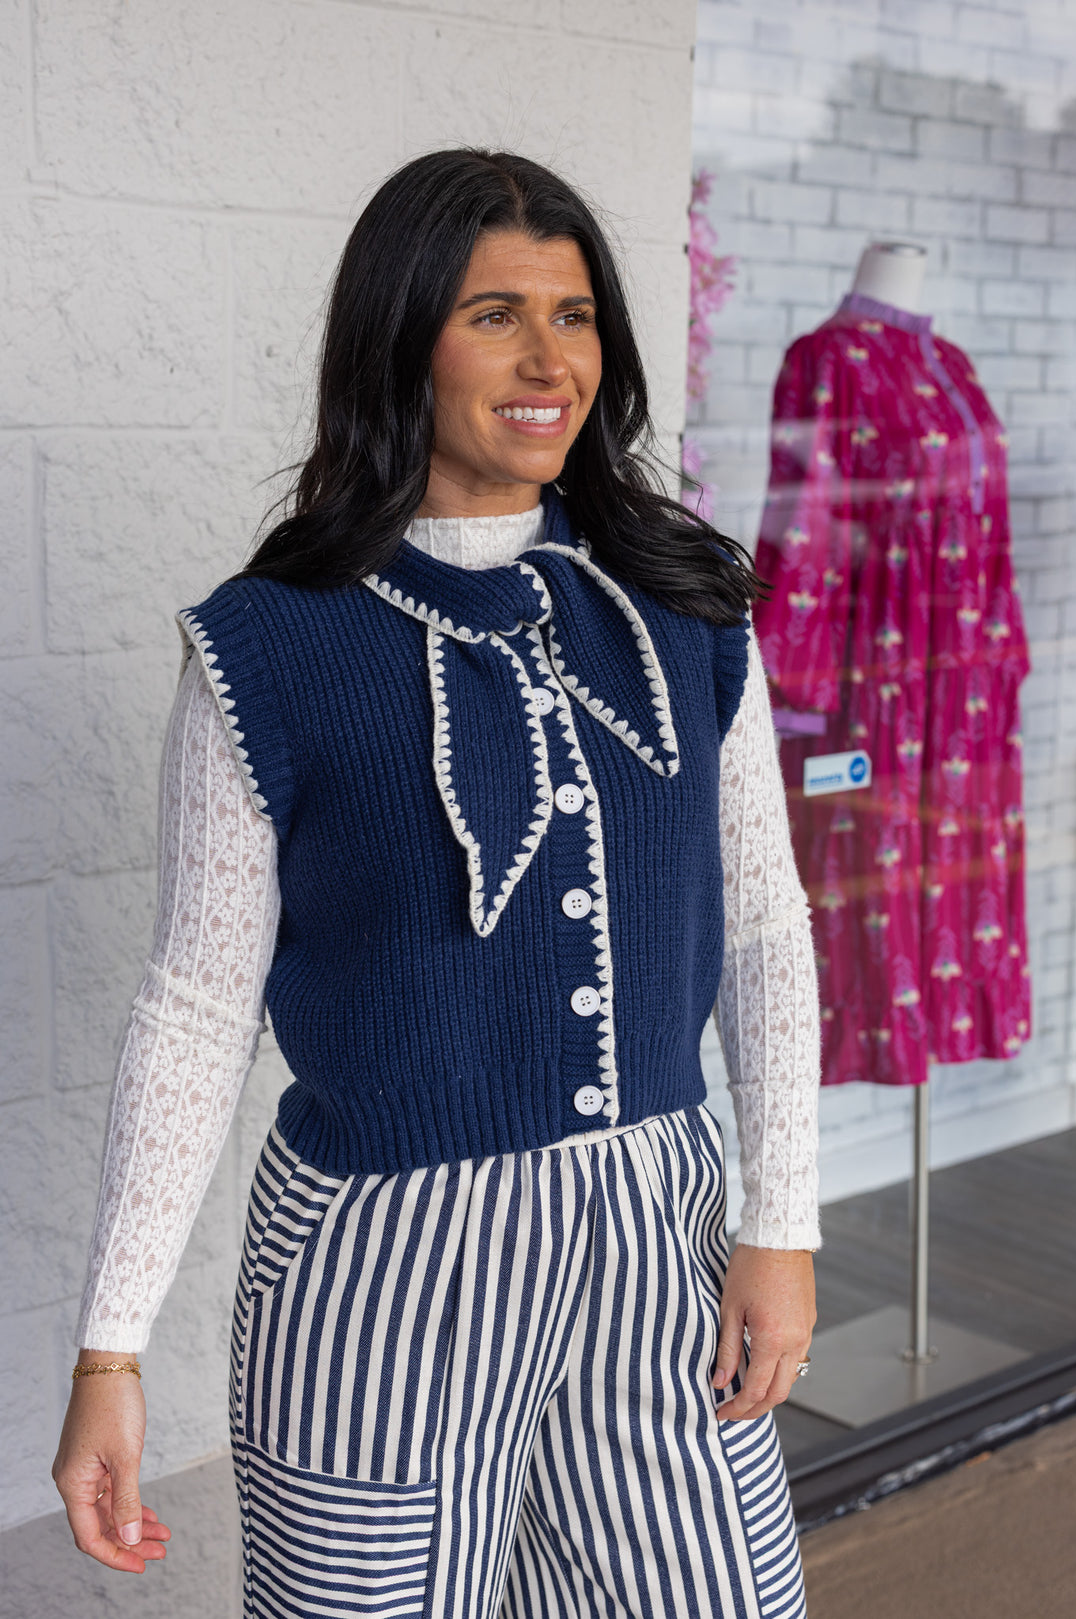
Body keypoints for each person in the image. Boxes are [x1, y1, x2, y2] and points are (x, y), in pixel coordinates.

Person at [52, 148, 820, 1619]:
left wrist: (780, 1226)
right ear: (401, 340)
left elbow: (766, 925)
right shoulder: (267, 648)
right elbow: (195, 1004)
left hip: (658, 1243)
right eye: (496, 315)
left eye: (578, 314)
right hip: (383, 1270)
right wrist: (111, 1353)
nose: (552, 360)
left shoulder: (685, 603)